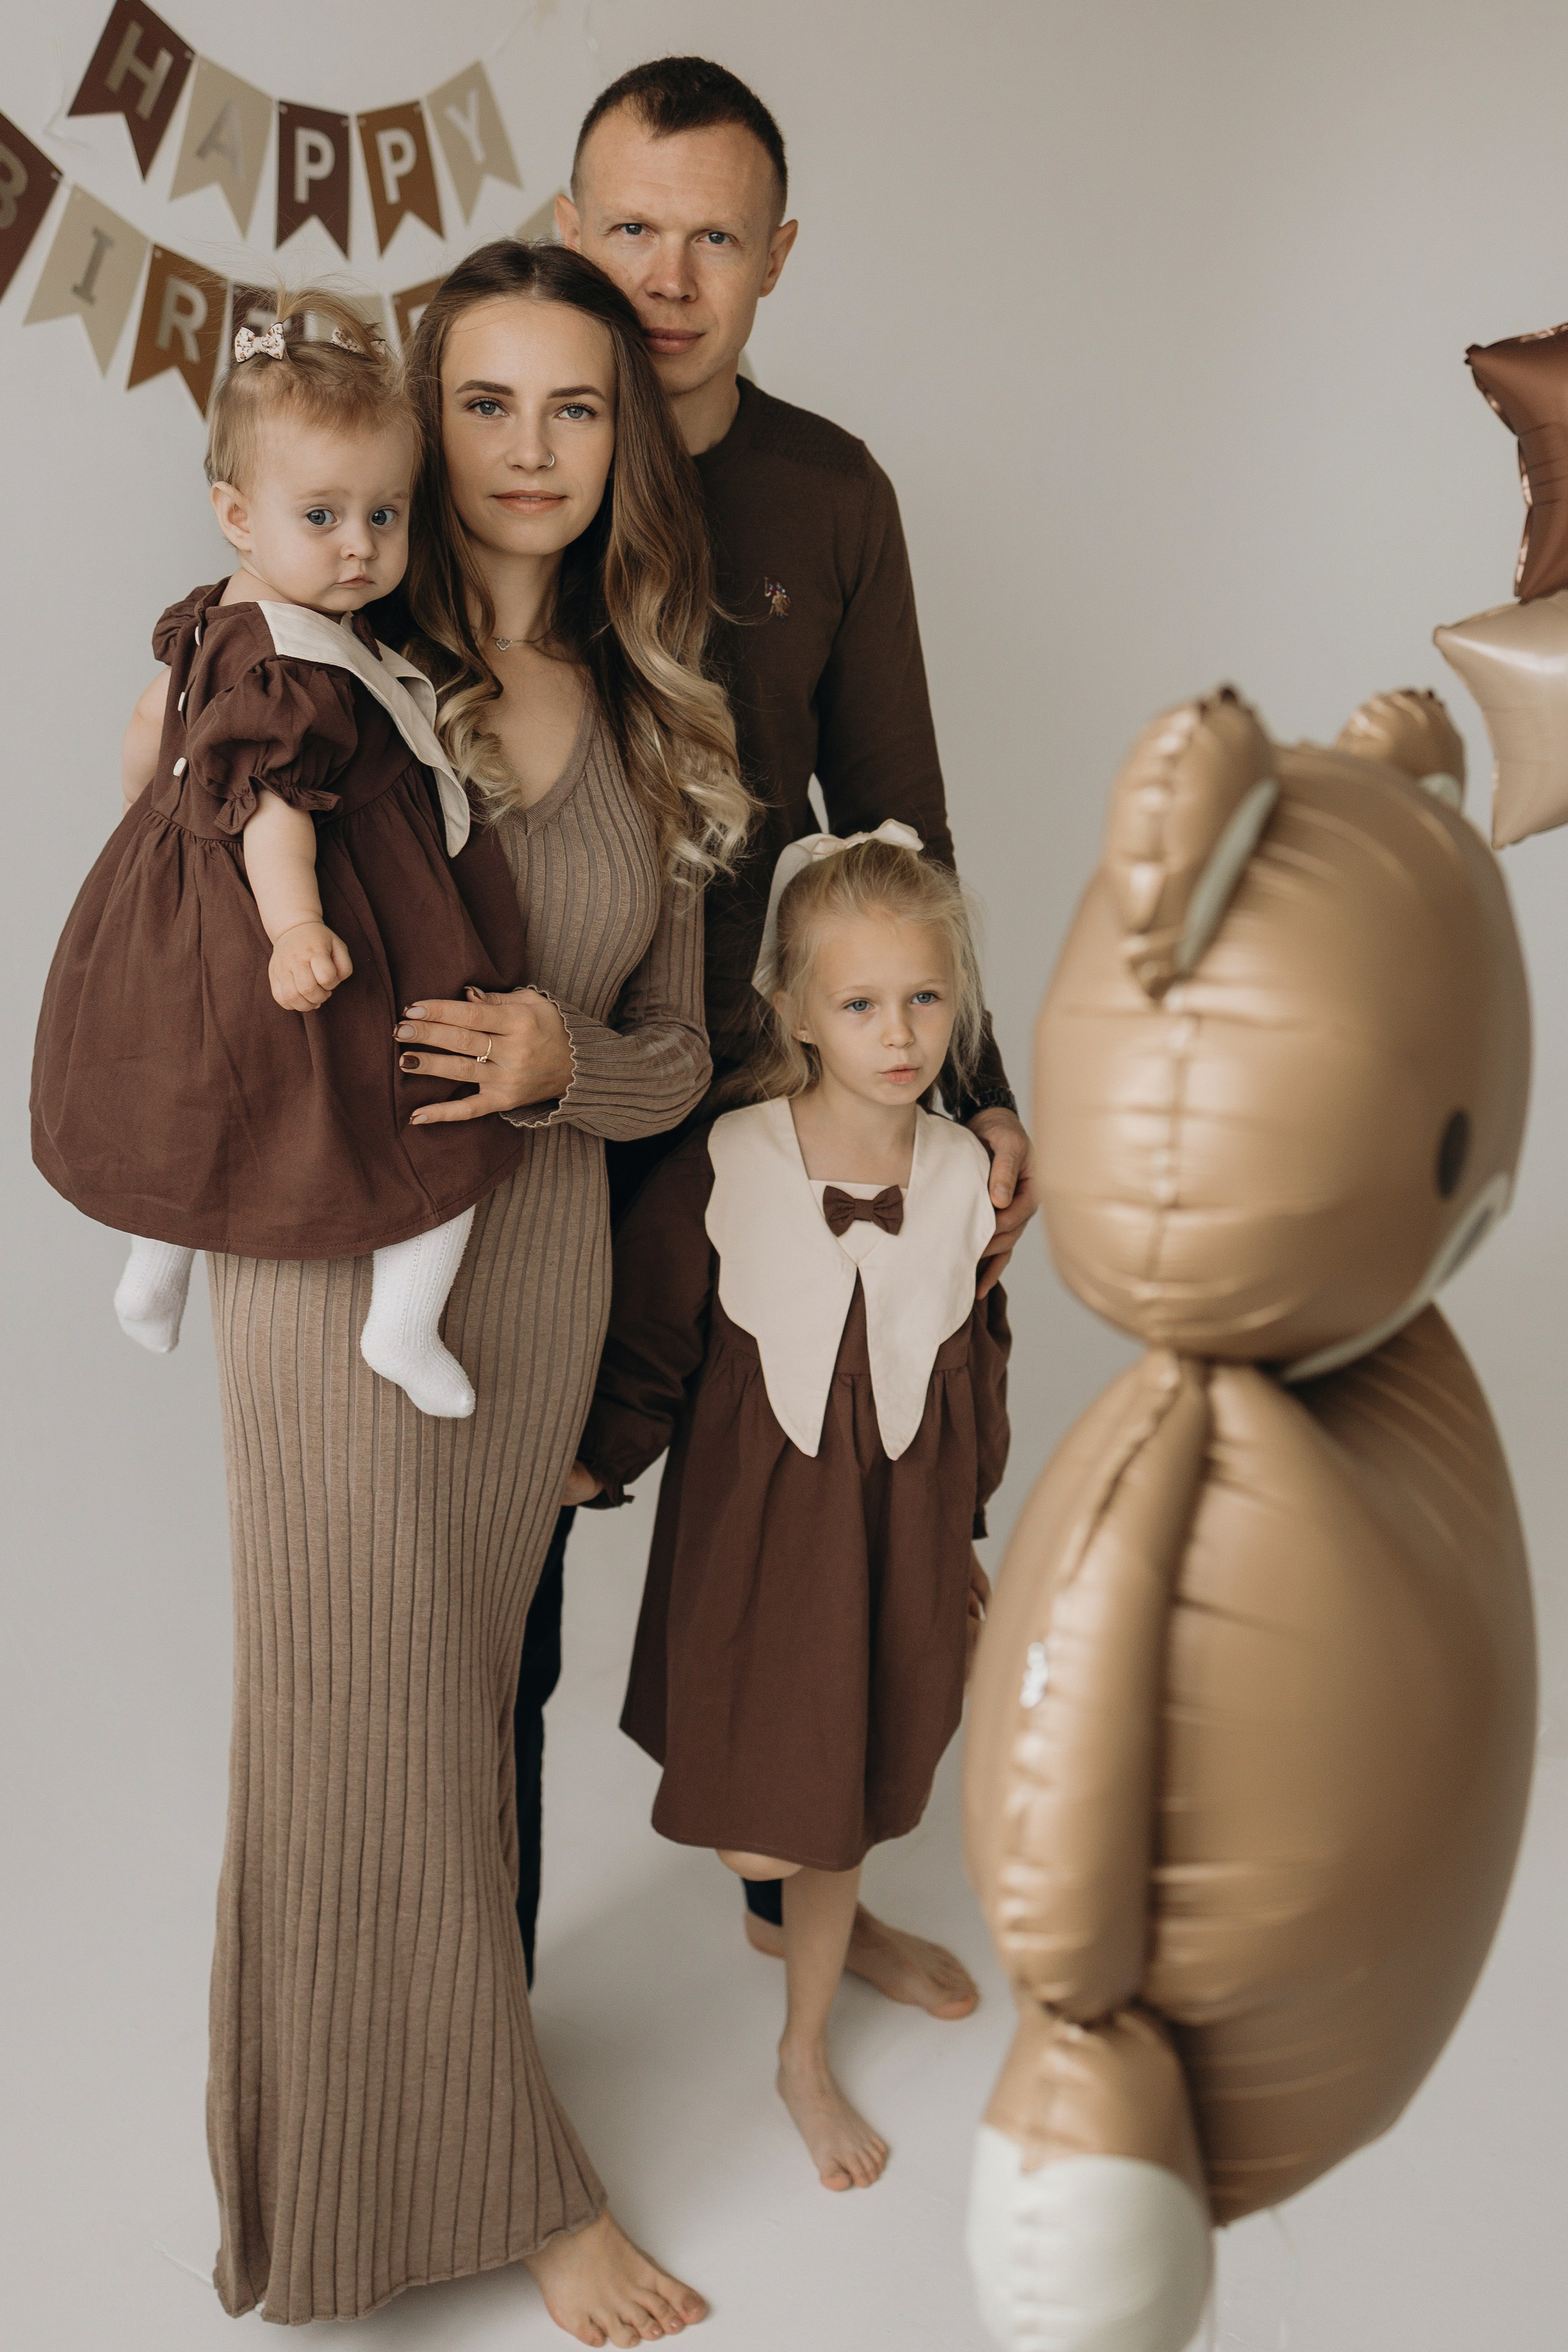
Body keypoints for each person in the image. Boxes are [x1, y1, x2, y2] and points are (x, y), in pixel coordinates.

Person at [153, 241, 750, 2345]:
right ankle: (482, 2191)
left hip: (532, 1280)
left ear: (623, 440)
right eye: (485, 402)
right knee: (349, 1708)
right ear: (428, 419)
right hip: (328, 1266)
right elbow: (193, 872)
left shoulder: (661, 718)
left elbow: (684, 1052)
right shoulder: (323, 650)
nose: (527, 449)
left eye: (574, 406)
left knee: (446, 1717)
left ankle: (385, 2165)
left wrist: (562, 1064)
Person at [519, 53, 1035, 2002]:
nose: (669, 276)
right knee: (517, 1550)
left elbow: (898, 824)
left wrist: (975, 1099)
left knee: (831, 1530)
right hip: (534, 1091)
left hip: (753, 1098)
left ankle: (788, 1894)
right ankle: (483, 1990)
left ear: (778, 255)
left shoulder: (828, 494)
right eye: (633, 228)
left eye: (715, 237)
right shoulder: (510, 456)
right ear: (569, 229)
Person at [565, 827, 1010, 2190]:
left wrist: (965, 1536)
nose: (900, 1033)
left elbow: (976, 1367)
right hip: (759, 1547)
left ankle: (801, 2049)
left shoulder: (967, 1178)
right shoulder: (729, 1161)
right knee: (763, 1815)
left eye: (924, 998)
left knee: (845, 1784)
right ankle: (788, 1905)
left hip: (894, 1539)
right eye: (861, 1003)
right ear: (795, 1011)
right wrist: (591, 1464)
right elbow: (651, 1342)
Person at [30, 290, 533, 1419]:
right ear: (237, 514)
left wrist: (159, 826)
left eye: (386, 514)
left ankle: (153, 1271)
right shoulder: (291, 672)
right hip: (287, 906)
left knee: (198, 1092)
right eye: (323, 515)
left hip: (189, 905)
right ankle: (401, 1322)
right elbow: (273, 817)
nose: (360, 544)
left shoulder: (221, 617)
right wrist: (297, 925)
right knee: (437, 1110)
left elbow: (150, 725)